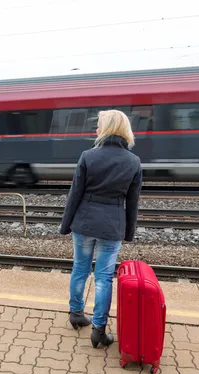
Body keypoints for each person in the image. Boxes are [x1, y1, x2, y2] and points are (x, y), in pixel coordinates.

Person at [60, 109, 142, 348]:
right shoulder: (133, 162)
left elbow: (75, 194)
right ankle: (98, 329)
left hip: (83, 223)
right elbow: (133, 202)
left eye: (99, 125)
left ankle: (75, 313)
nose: (96, 129)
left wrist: (66, 225)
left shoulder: (88, 156)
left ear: (107, 128)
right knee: (104, 278)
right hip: (112, 226)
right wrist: (129, 232)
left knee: (80, 268)